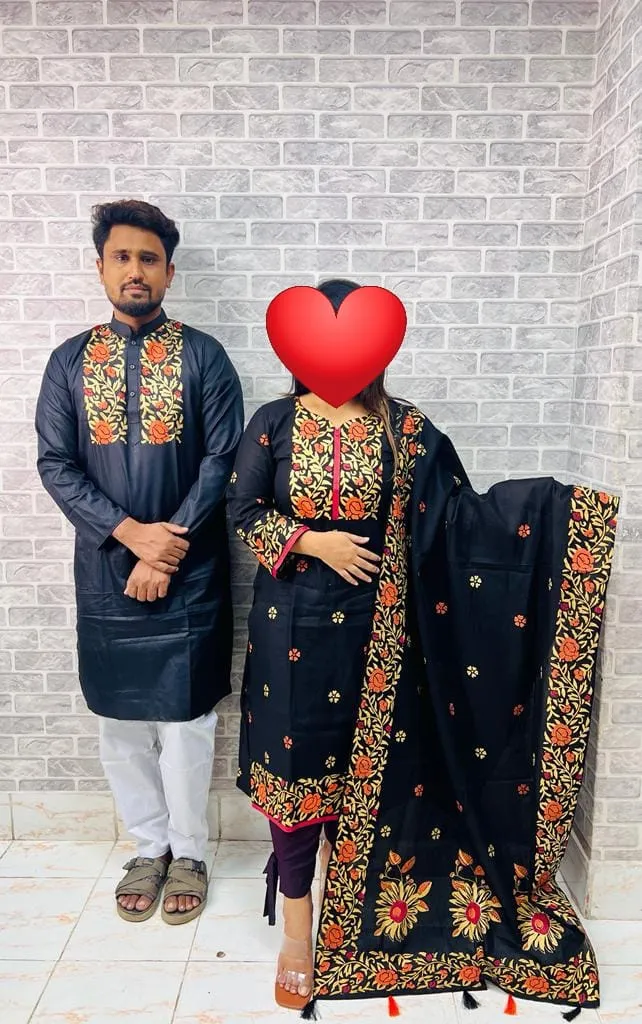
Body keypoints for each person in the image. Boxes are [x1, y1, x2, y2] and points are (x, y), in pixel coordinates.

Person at [227, 278, 618, 1016]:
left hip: (385, 639)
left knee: (371, 780)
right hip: (291, 634)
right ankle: (300, 933)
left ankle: (352, 914)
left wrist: (554, 513)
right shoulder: (274, 422)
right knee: (298, 780)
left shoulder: (404, 428)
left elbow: (461, 518)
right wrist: (312, 541)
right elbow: (242, 509)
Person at [35, 199, 244, 925]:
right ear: (100, 268)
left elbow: (222, 459)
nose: (135, 270)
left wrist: (167, 544)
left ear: (169, 273)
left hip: (190, 571)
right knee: (119, 721)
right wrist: (131, 535)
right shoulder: (69, 362)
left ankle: (190, 852)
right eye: (121, 257)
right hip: (106, 572)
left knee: (187, 720)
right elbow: (56, 464)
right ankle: (148, 847)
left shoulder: (204, 356)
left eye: (148, 259)